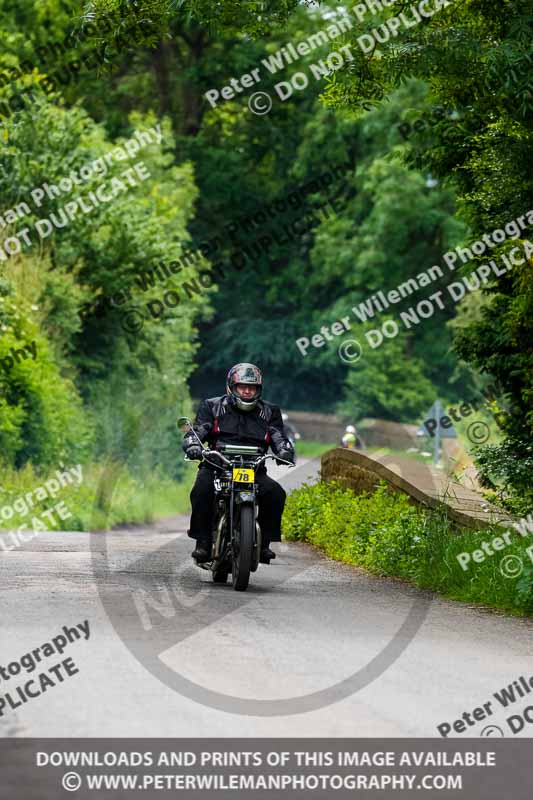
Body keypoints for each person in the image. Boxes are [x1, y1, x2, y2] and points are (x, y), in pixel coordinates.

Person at [183, 363, 295, 564]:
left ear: (258, 390)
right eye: (242, 387)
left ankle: (264, 544)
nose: (247, 391)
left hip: (253, 468)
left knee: (276, 493)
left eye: (251, 387)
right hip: (217, 467)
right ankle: (203, 542)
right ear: (231, 387)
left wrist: (285, 450)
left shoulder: (270, 412)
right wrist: (193, 445)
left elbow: (278, 435)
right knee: (201, 490)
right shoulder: (212, 406)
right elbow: (198, 431)